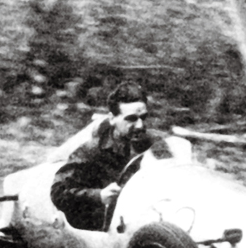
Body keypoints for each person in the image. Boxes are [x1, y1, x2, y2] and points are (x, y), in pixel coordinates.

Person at [51, 82, 165, 231]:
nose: (140, 125)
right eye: (131, 119)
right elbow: (58, 193)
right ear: (112, 119)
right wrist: (99, 195)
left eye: (143, 117)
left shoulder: (156, 142)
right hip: (110, 227)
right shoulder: (92, 151)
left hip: (153, 216)